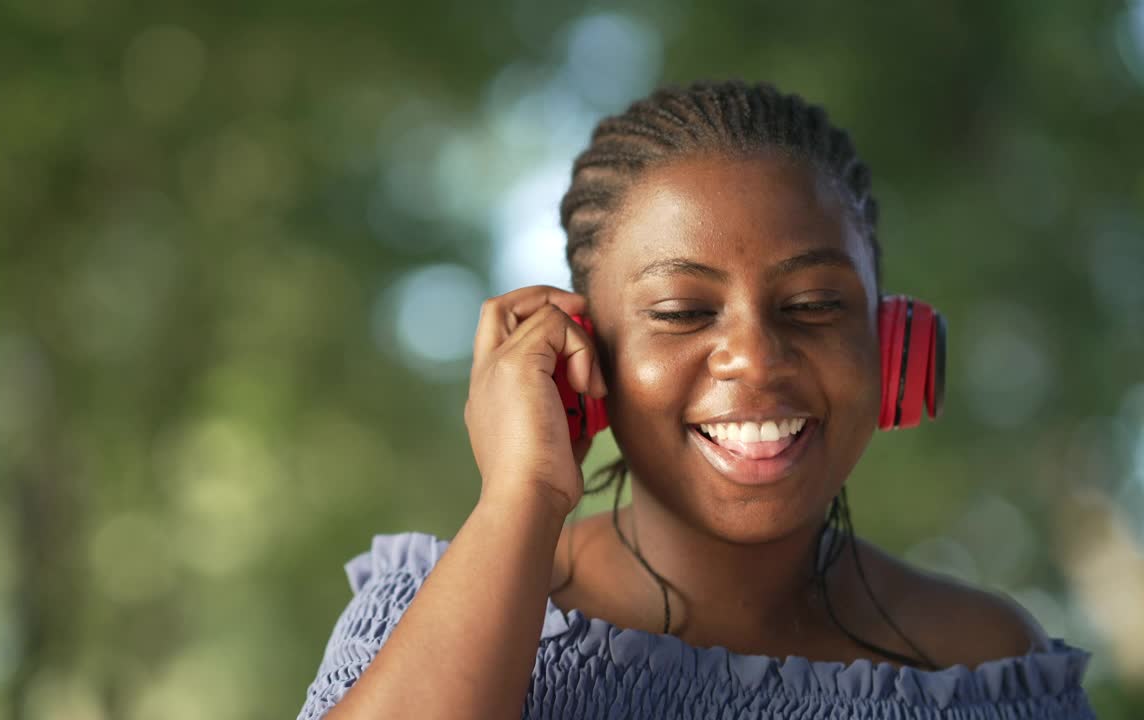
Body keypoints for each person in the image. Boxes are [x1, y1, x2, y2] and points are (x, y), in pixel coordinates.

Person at [296, 79, 1096, 719]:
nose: (755, 357)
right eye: (682, 312)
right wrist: (522, 496)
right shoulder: (422, 614)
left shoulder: (987, 665)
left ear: (893, 349)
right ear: (582, 353)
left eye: (815, 305)